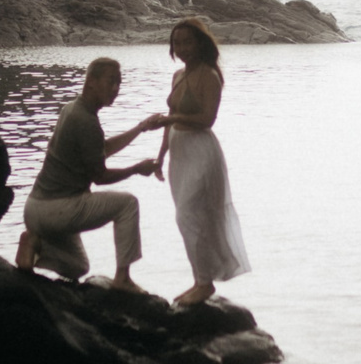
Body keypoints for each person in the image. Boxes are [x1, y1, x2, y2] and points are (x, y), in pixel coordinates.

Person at [14, 57, 165, 293]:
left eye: (119, 83)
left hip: (36, 209)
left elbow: (99, 149)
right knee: (127, 204)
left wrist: (140, 128)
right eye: (111, 81)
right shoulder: (85, 120)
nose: (115, 88)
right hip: (58, 209)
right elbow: (100, 177)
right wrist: (136, 169)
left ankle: (35, 245)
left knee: (78, 267)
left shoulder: (72, 109)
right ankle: (123, 278)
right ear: (91, 81)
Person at [150, 18, 251, 306]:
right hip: (179, 153)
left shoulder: (210, 76)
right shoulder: (178, 76)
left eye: (187, 42)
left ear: (201, 44)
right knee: (190, 217)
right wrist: (160, 156)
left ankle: (204, 283)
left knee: (189, 214)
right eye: (177, 43)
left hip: (202, 151)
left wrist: (171, 118)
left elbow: (207, 119)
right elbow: (170, 124)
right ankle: (200, 280)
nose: (182, 48)